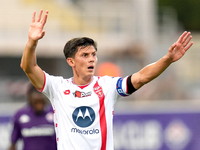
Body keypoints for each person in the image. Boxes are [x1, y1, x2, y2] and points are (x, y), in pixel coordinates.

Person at [20, 9, 193, 150]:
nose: (91, 59)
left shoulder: (107, 85)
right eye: (85, 55)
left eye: (94, 55)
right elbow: (29, 67)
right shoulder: (57, 87)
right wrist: (31, 42)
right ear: (71, 61)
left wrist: (167, 59)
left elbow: (140, 78)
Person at [8, 84, 57, 150]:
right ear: (30, 99)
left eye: (41, 101)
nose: (39, 104)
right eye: (36, 102)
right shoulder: (20, 115)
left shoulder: (54, 113)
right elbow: (13, 143)